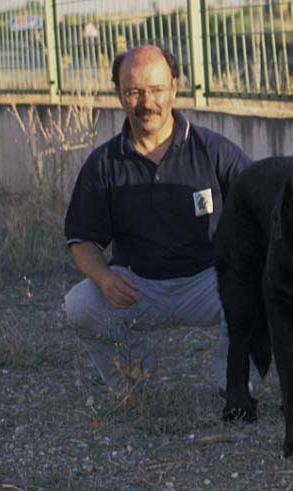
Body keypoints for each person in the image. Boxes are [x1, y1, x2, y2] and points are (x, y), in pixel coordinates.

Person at [64, 44, 251, 395]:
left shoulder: (214, 151)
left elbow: (259, 203)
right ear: (119, 95)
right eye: (133, 91)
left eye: (156, 89)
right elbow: (82, 240)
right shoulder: (102, 165)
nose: (146, 102)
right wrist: (104, 278)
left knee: (257, 288)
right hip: (138, 287)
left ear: (174, 88)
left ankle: (236, 381)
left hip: (208, 282)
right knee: (80, 303)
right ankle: (134, 379)